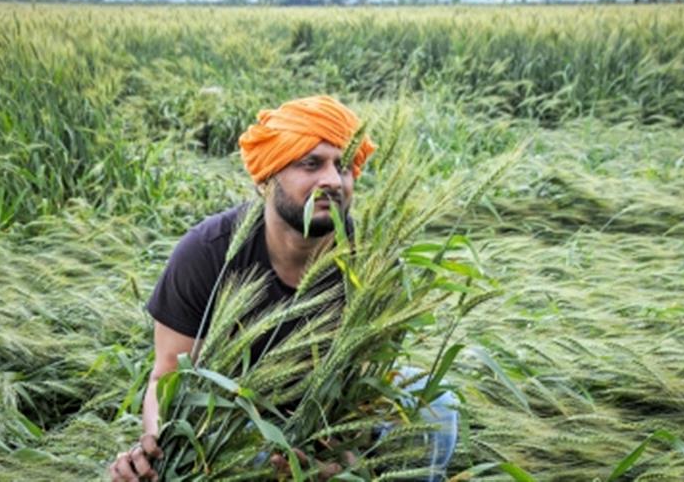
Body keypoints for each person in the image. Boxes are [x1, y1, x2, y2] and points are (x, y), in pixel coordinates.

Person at [108, 95, 455, 482]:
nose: (332, 180)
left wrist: (345, 455)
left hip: (332, 419)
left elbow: (367, 384)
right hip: (238, 417)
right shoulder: (207, 253)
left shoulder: (374, 265)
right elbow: (168, 377)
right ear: (268, 176)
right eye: (311, 163)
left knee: (436, 404)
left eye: (344, 166)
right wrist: (159, 447)